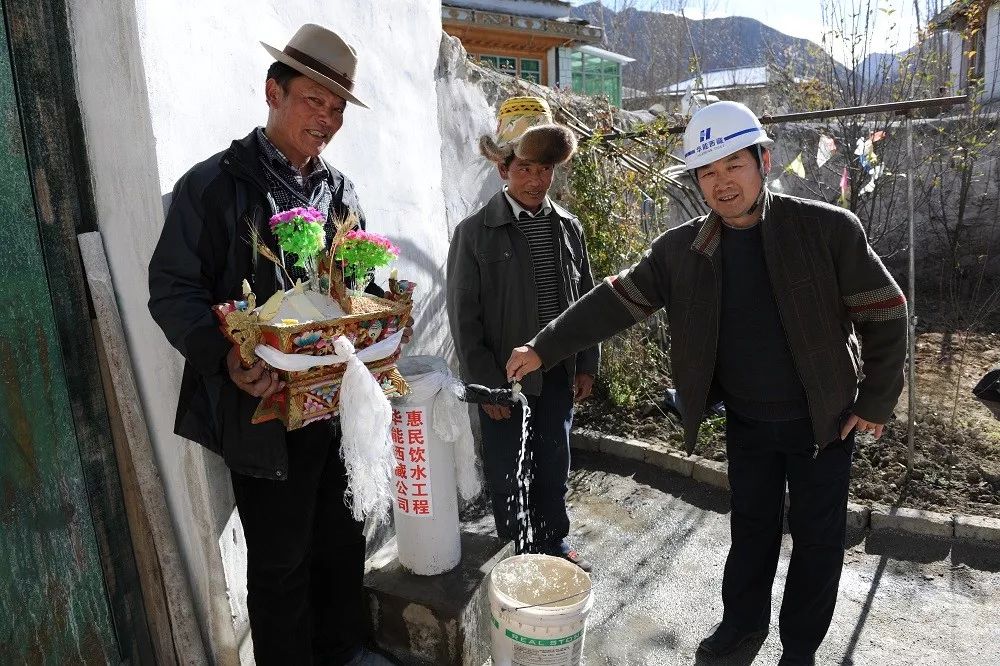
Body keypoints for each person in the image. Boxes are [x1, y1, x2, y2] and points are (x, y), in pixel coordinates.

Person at [506, 101, 907, 664]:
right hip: (747, 421)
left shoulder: (825, 229)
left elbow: (886, 311)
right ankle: (741, 628)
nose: (721, 183)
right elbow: (614, 303)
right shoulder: (682, 250)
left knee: (818, 543)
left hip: (824, 423)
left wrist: (877, 399)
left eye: (733, 165)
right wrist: (543, 346)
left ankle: (800, 649)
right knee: (751, 531)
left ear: (763, 160)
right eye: (707, 172)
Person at [148, 24, 401, 666]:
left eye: (338, 108)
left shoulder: (340, 193)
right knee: (281, 560)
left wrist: (377, 311)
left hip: (335, 406)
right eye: (314, 101)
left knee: (342, 538)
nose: (327, 119)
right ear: (273, 92)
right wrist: (226, 357)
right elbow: (172, 289)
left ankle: (344, 649)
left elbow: (357, 287)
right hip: (261, 412)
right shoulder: (215, 186)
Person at [446, 96, 600, 572]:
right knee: (509, 469)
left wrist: (587, 364)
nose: (536, 181)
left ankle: (553, 540)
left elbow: (588, 305)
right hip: (504, 381)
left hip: (556, 374)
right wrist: (487, 383)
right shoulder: (474, 234)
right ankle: (518, 549)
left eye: (545, 170)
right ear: (503, 170)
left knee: (554, 461)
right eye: (526, 169)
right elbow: (463, 317)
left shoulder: (569, 229)